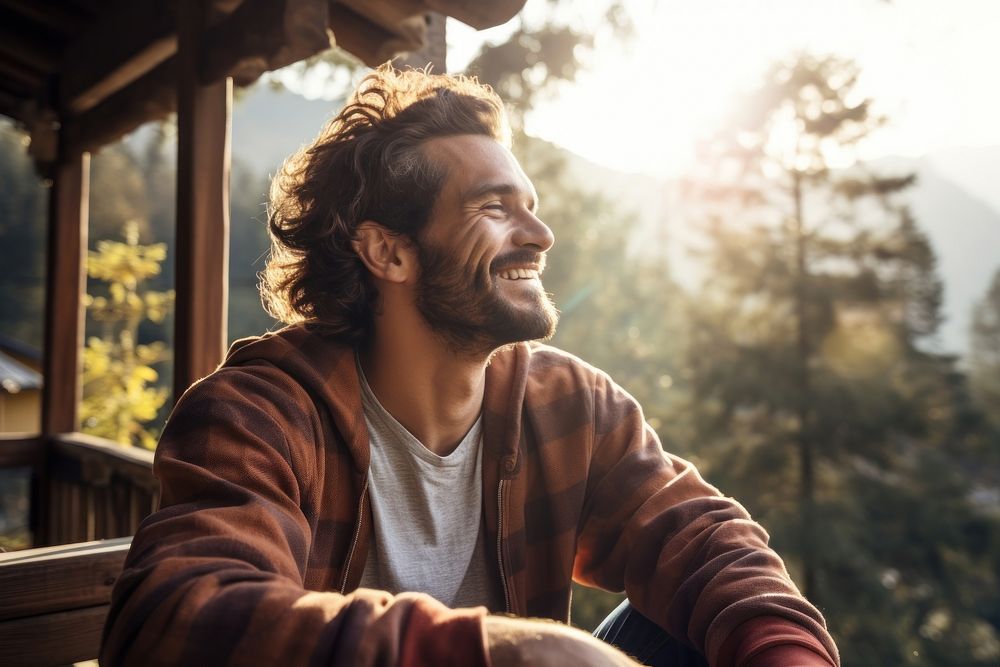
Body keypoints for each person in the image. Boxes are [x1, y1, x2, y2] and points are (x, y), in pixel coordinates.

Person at [100, 65, 839, 667]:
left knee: (696, 626)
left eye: (532, 206)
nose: (541, 234)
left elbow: (709, 545)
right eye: (495, 208)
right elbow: (175, 619)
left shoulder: (571, 404)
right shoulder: (259, 412)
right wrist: (502, 650)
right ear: (388, 251)